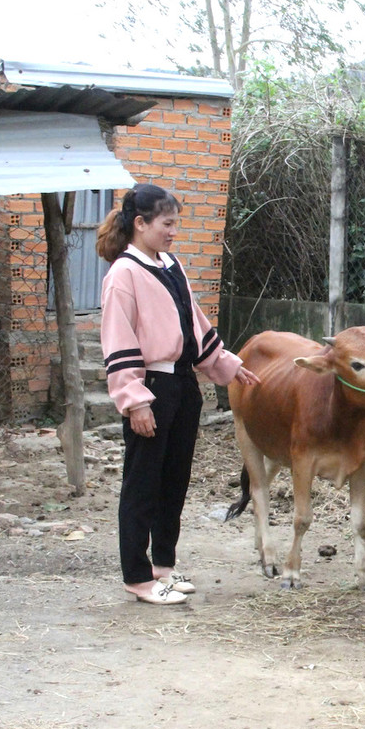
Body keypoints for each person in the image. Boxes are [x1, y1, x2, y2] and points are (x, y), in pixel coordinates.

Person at [97, 183, 260, 605]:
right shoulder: (123, 274)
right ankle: (137, 577)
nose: (173, 232)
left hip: (183, 386)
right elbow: (118, 339)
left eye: (175, 224)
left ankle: (162, 567)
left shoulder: (170, 265)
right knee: (142, 484)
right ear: (141, 223)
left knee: (174, 481)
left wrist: (226, 364)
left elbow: (195, 322)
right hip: (152, 386)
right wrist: (134, 400)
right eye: (167, 224)